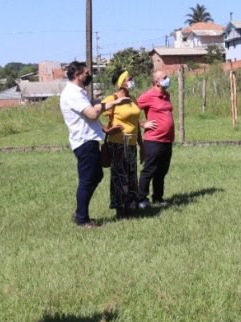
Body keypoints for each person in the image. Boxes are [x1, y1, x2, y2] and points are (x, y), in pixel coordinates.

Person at [59, 61, 131, 228]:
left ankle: (80, 213)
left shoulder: (79, 92)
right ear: (77, 75)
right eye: (86, 73)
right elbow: (92, 114)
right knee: (87, 180)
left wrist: (105, 127)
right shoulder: (72, 94)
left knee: (96, 176)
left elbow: (93, 108)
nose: (89, 76)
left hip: (89, 140)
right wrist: (113, 103)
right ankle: (82, 218)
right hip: (83, 142)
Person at [103, 70, 143, 218]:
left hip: (131, 143)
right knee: (120, 177)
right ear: (121, 82)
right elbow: (93, 116)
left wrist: (141, 145)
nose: (132, 80)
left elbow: (136, 123)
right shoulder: (112, 99)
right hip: (118, 143)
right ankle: (120, 209)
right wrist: (107, 130)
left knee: (131, 176)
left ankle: (131, 207)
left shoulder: (132, 99)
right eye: (129, 78)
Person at [136, 69, 175, 209]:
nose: (168, 79)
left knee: (162, 171)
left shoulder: (166, 95)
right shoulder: (148, 95)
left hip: (167, 140)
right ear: (157, 81)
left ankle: (158, 197)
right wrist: (142, 124)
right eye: (165, 77)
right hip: (153, 140)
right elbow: (132, 110)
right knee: (149, 170)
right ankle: (141, 199)